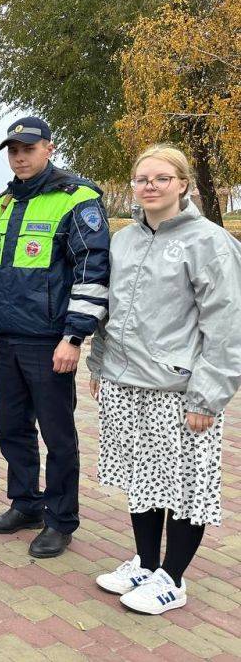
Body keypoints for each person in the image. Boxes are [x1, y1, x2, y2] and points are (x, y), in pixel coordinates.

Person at [87, 145, 241, 614]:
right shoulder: (124, 239)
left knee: (185, 484)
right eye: (141, 179)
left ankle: (173, 578)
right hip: (124, 380)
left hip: (180, 390)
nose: (149, 186)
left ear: (183, 184)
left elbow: (227, 323)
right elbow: (110, 308)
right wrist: (100, 363)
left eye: (160, 178)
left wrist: (208, 396)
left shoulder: (209, 241)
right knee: (143, 478)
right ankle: (146, 563)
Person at [0, 117, 110, 558]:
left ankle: (60, 519)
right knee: (11, 428)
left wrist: (74, 338)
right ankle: (25, 504)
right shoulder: (3, 203)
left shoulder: (77, 199)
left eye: (28, 148)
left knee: (57, 436)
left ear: (49, 148)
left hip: (49, 341)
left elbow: (92, 272)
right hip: (8, 339)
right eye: (13, 150)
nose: (19, 156)